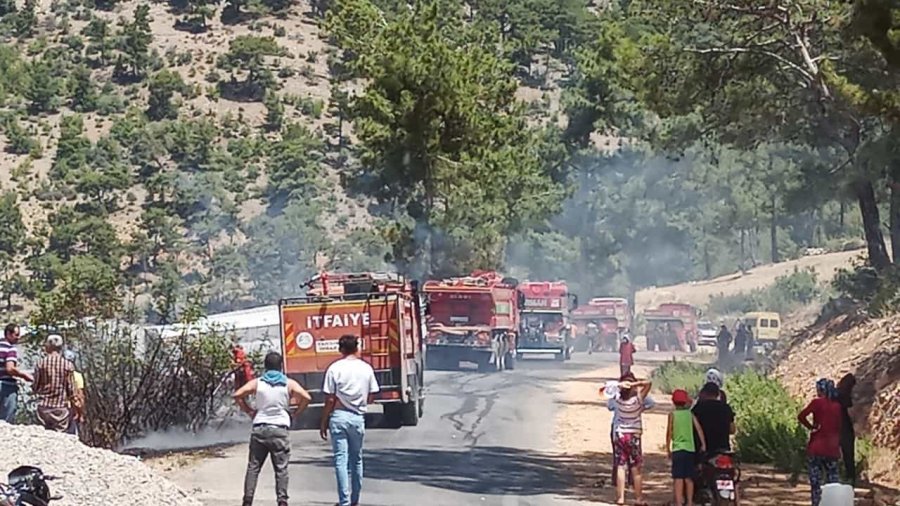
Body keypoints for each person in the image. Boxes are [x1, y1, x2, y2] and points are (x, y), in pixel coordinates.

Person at [234, 351, 311, 506]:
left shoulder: (258, 383)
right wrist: (295, 413)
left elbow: (237, 395)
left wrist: (249, 410)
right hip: (279, 429)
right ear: (281, 366)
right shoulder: (288, 383)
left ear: (265, 366)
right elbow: (307, 397)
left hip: (260, 428)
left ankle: (247, 500)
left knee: (253, 467)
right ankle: (282, 501)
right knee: (281, 469)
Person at [320, 335, 380, 506]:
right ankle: (355, 500)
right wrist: (361, 402)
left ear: (341, 349)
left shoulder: (334, 368)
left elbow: (330, 398)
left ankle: (344, 501)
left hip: (339, 416)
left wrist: (323, 421)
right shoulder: (366, 368)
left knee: (341, 460)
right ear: (357, 348)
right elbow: (372, 394)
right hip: (357, 417)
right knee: (357, 459)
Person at [607, 372, 653, 506]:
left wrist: (621, 385)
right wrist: (634, 384)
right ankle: (638, 499)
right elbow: (648, 383)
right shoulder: (638, 400)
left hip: (620, 435)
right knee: (635, 468)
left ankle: (620, 498)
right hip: (634, 436)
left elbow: (609, 388)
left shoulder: (617, 400)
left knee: (621, 466)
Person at [798, 378, 843, 506]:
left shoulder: (816, 403)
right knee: (833, 481)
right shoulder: (838, 407)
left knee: (816, 482)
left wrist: (811, 427)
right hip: (832, 448)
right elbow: (840, 426)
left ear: (820, 390)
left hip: (816, 448)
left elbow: (801, 416)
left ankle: (817, 503)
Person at [667, 389, 706, 506]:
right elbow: (699, 429)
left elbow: (669, 432)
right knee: (689, 477)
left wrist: (668, 448)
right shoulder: (690, 414)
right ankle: (689, 502)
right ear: (685, 402)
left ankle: (679, 503)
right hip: (690, 449)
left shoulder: (672, 415)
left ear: (673, 402)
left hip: (677, 449)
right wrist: (703, 444)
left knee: (678, 478)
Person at [32, 334, 78, 432]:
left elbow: (35, 386)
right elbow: (71, 390)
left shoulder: (40, 363)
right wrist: (75, 406)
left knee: (43, 435)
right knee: (60, 437)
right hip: (60, 408)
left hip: (44, 406)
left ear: (48, 346)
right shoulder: (68, 365)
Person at [0, 323, 33, 423]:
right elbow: (10, 369)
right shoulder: (10, 348)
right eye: (16, 335)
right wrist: (24, 375)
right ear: (8, 334)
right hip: (6, 386)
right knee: (6, 419)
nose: (18, 338)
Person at [836, 373, 857, 487]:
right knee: (848, 455)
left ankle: (834, 476)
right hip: (844, 428)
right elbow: (851, 410)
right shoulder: (844, 396)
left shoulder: (835, 394)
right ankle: (850, 477)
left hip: (834, 428)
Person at [63, 349, 85, 437]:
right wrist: (81, 414)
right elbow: (80, 396)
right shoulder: (77, 376)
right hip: (71, 409)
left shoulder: (57, 375)